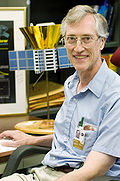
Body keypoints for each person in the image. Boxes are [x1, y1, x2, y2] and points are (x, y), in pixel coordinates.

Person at [0, 4, 120, 181]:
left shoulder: (114, 95)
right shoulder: (71, 83)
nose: (78, 48)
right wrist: (31, 140)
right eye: (71, 39)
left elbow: (93, 170)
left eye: (86, 38)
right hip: (46, 172)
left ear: (102, 41)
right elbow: (72, 137)